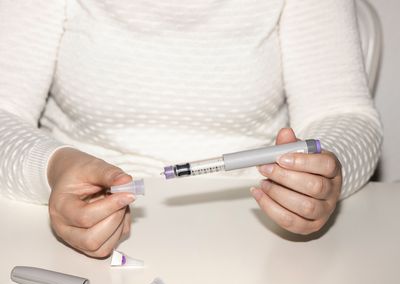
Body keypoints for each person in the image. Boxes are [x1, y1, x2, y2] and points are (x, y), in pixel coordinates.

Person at [0, 0, 382, 257]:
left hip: (262, 235)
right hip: (68, 224)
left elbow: (345, 112)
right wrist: (52, 168)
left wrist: (323, 175)